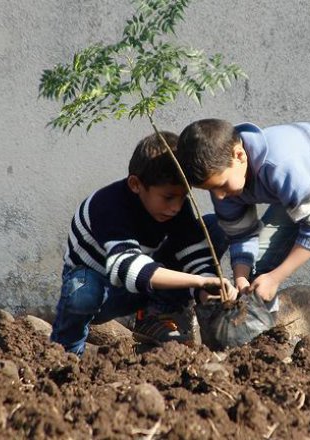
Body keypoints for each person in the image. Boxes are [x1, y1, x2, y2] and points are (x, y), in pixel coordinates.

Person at [176, 118, 310, 352]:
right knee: (259, 266)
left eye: (222, 185)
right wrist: (242, 278)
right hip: (303, 184)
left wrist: (275, 278)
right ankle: (266, 347)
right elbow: (241, 234)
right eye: (211, 190)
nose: (220, 196)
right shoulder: (224, 182)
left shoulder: (280, 165)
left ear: (239, 156)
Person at [50, 131, 236, 355]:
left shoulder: (176, 209)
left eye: (183, 196)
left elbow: (195, 258)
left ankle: (156, 315)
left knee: (215, 227)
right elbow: (129, 268)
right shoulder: (108, 206)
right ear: (136, 184)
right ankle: (66, 353)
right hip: (103, 287)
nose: (176, 207)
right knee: (84, 291)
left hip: (142, 280)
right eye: (168, 197)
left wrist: (209, 290)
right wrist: (199, 282)